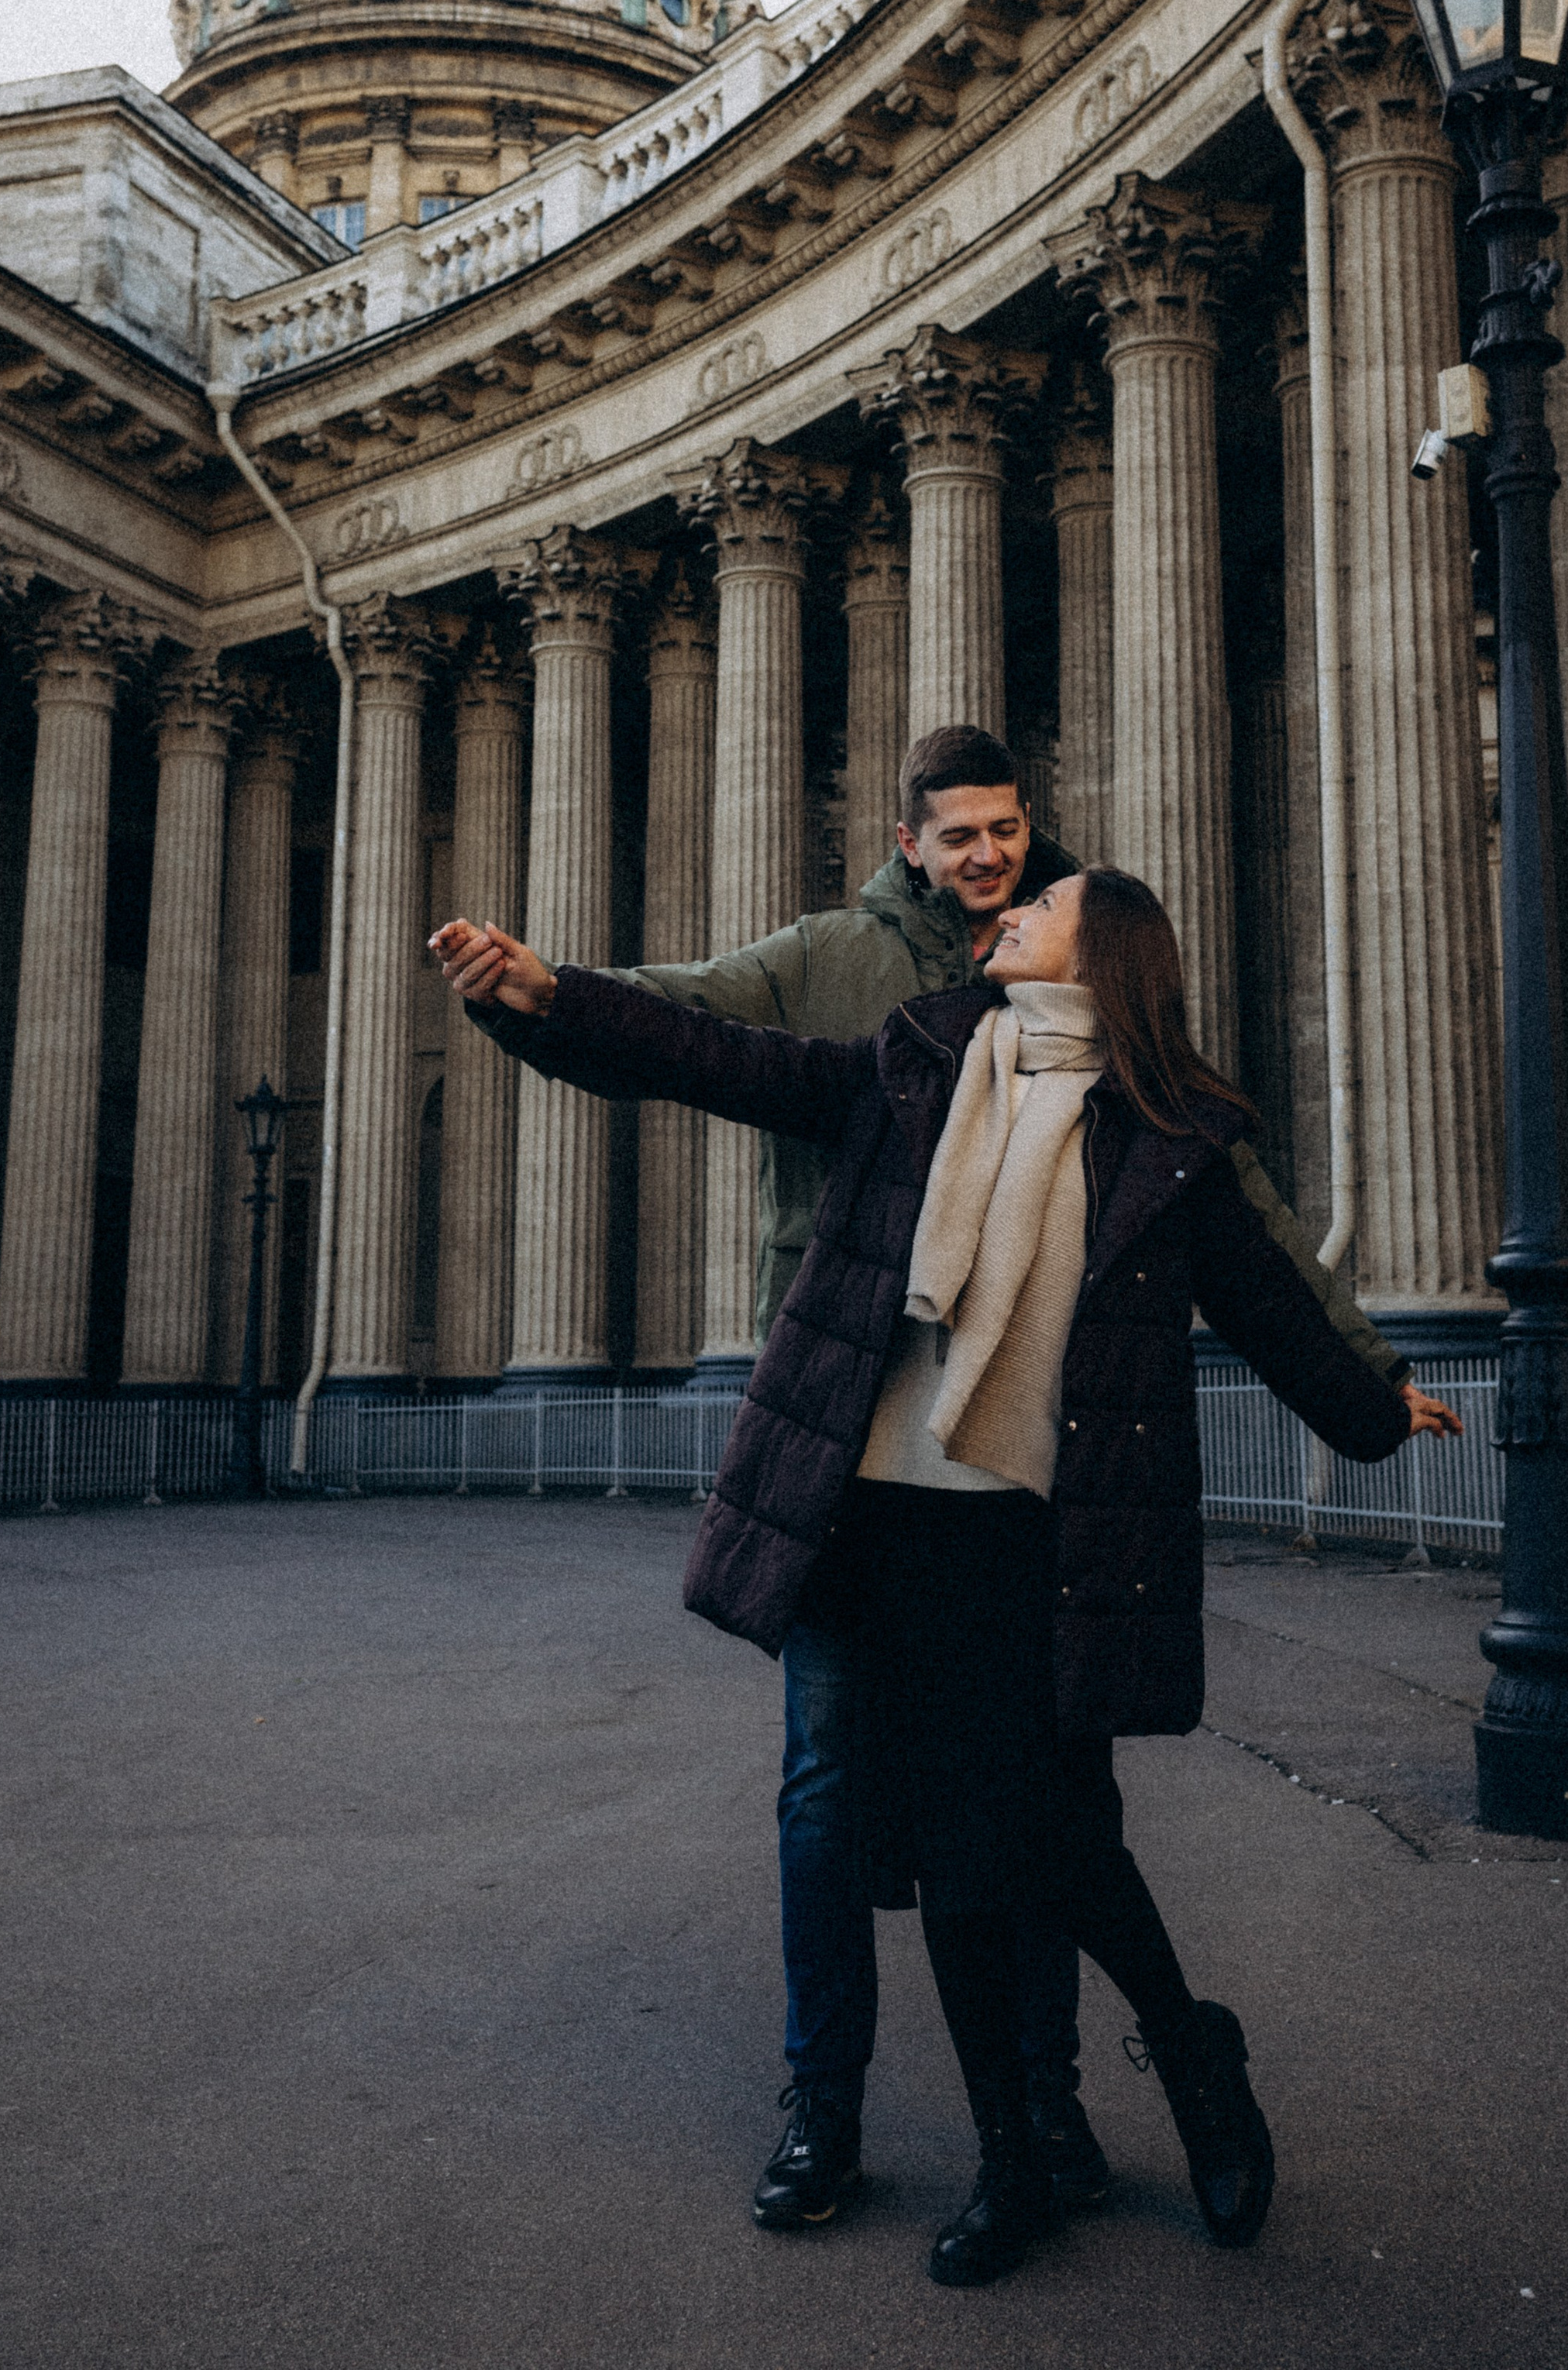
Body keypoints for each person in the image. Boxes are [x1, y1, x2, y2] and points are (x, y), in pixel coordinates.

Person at [435, 863, 1461, 2288]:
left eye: (1038, 910)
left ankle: (1188, 2051)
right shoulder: (920, 1064)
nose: (1009, 915)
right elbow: (730, 1057)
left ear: (1102, 958)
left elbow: (1272, 1298)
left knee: (1062, 1843)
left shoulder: (1174, 1134)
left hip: (1042, 1530)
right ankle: (1014, 2162)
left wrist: (1375, 1400)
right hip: (895, 1517)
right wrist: (551, 1000)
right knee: (967, 1863)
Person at [476, 725, 1106, 2227]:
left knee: (1024, 1795)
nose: (987, 857)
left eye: (1005, 832)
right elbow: (695, 1030)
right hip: (845, 1440)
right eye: (959, 836)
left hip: (1007, 1452)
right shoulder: (841, 970)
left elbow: (1215, 1190)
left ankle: (1043, 2108)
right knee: (826, 1792)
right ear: (909, 841)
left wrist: (1353, 1370)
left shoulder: (1075, 975)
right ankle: (823, 2112)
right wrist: (541, 995)